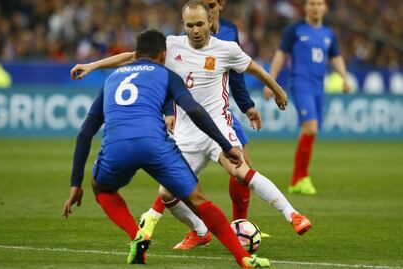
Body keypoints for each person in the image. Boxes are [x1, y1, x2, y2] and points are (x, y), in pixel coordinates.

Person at [71, 0, 311, 250]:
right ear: (183, 25)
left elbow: (255, 70)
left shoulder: (226, 49)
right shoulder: (171, 45)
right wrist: (92, 65)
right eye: (189, 25)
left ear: (210, 21)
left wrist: (277, 89)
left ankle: (293, 215)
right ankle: (199, 231)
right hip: (186, 135)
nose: (195, 30)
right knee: (166, 195)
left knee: (240, 171)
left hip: (217, 127)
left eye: (199, 24)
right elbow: (132, 57)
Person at [62, 28, 270, 268]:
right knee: (199, 200)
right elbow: (193, 110)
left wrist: (75, 184)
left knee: (102, 189)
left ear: (136, 53)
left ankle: (136, 235)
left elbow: (85, 132)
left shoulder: (113, 79)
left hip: (116, 146)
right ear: (163, 55)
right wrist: (225, 145)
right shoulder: (166, 74)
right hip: (155, 145)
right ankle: (242, 257)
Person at [138, 0, 264, 249]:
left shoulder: (229, 32)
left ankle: (240, 225)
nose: (208, 8)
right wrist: (168, 109)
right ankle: (165, 219)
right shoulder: (182, 37)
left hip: (221, 109)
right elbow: (170, 72)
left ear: (219, 5)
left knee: (242, 165)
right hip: (191, 113)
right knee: (177, 176)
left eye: (211, 4)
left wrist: (247, 105)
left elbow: (236, 74)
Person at [264, 0, 351, 195]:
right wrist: (271, 82)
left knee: (310, 131)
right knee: (310, 127)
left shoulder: (328, 34)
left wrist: (344, 78)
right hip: (301, 84)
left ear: (324, 8)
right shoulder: (295, 30)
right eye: (311, 3)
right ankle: (299, 178)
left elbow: (335, 57)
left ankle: (300, 178)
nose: (315, 7)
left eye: (319, 3)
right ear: (305, 8)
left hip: (319, 87)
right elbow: (280, 54)